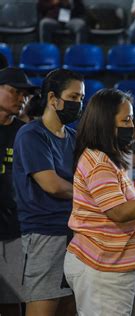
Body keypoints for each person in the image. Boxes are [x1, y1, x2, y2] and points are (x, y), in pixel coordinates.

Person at [64, 88, 135, 315]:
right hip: (103, 267)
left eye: (131, 119)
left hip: (119, 264)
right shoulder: (99, 163)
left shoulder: (110, 160)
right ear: (105, 123)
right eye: (126, 120)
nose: (131, 126)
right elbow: (119, 212)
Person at [12, 69, 84, 316]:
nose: (78, 104)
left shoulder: (74, 137)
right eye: (73, 97)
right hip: (44, 234)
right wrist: (89, 196)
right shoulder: (31, 134)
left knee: (69, 307)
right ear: (53, 98)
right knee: (43, 307)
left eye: (81, 98)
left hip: (73, 233)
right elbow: (51, 184)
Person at [0, 68, 38, 316]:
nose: (21, 98)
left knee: (12, 303)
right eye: (14, 91)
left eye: (25, 94)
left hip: (13, 232)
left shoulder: (25, 135)